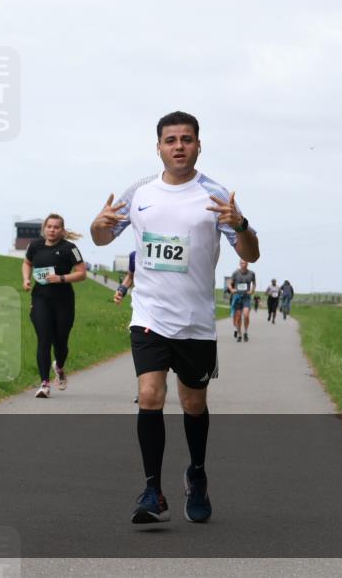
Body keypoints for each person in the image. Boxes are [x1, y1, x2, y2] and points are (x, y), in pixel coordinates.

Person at [91, 110, 259, 525]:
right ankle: (152, 489)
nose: (178, 146)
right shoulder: (140, 192)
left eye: (186, 139)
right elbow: (103, 236)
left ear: (199, 145)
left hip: (196, 320)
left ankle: (196, 475)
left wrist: (241, 225)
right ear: (159, 147)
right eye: (171, 140)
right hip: (149, 314)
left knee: (193, 403)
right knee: (150, 395)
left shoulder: (216, 196)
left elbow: (250, 254)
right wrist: (97, 225)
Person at [22, 214, 87, 397]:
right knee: (44, 340)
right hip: (40, 300)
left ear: (62, 230)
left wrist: (61, 278)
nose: (52, 230)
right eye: (49, 226)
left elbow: (82, 273)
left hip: (63, 301)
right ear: (44, 228)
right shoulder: (35, 246)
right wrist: (26, 279)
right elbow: (27, 263)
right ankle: (44, 384)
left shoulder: (70, 248)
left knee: (61, 343)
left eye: (56, 227)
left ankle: (59, 366)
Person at [113, 251, 140, 404]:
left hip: (175, 312)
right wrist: (121, 290)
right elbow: (130, 276)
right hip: (143, 312)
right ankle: (146, 387)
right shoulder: (134, 255)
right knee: (144, 350)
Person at [227, 259, 256, 342]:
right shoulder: (235, 273)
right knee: (238, 316)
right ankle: (239, 334)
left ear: (247, 264)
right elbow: (229, 283)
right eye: (242, 263)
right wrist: (232, 289)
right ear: (239, 264)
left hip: (246, 297)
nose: (243, 264)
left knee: (246, 315)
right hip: (237, 297)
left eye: (245, 263)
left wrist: (252, 290)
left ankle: (245, 332)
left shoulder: (251, 273)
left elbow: (254, 284)